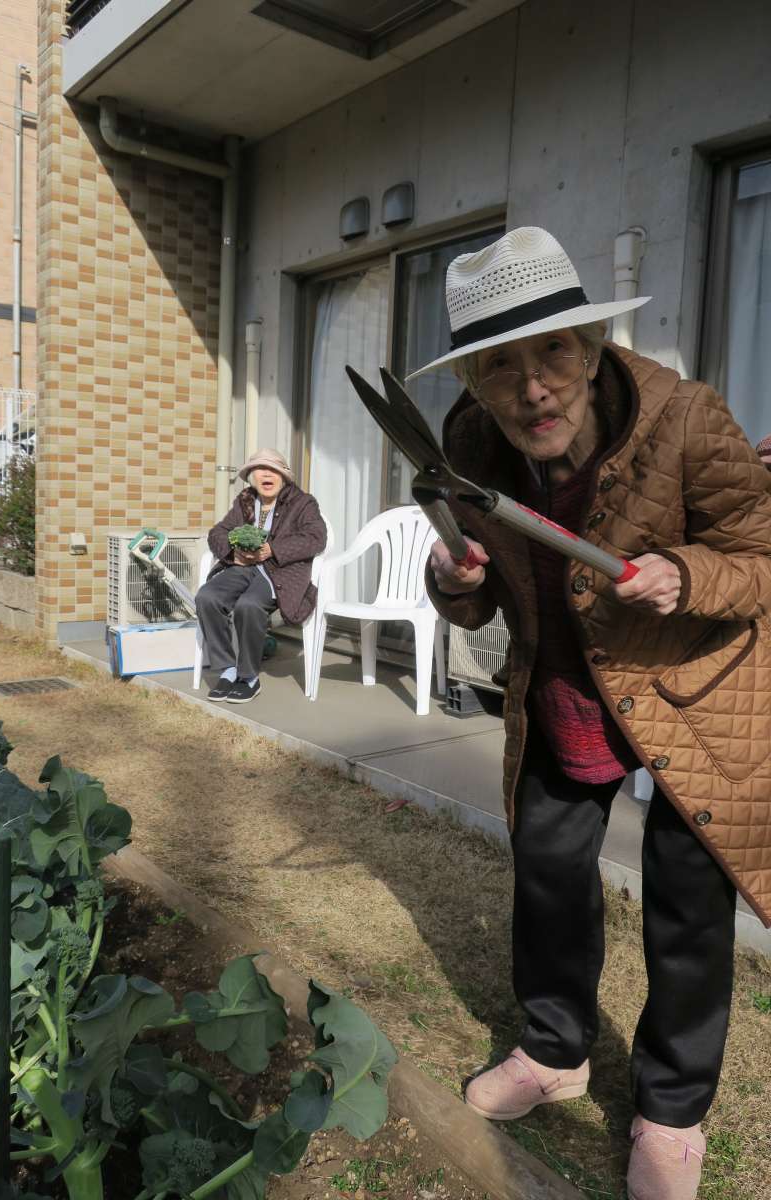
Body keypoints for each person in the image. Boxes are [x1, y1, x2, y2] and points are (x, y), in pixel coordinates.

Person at [412, 227, 771, 1200]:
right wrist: (453, 580)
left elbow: (759, 559)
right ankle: (554, 1048)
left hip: (693, 692)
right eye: (500, 365)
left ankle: (671, 1110)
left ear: (592, 345)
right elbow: (475, 596)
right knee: (547, 875)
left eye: (553, 353)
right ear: (474, 381)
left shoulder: (686, 418)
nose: (532, 387)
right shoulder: (466, 441)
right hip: (565, 687)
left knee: (686, 907)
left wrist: (687, 573)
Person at [196, 448, 326, 703]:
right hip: (242, 568)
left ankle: (248, 677)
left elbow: (316, 538)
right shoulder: (245, 501)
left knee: (249, 605)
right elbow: (218, 532)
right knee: (207, 597)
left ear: (284, 476)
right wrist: (233, 553)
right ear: (252, 476)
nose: (267, 474)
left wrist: (272, 549)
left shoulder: (303, 503)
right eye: (260, 469)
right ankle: (227, 669)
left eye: (273, 469)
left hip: (278, 572)